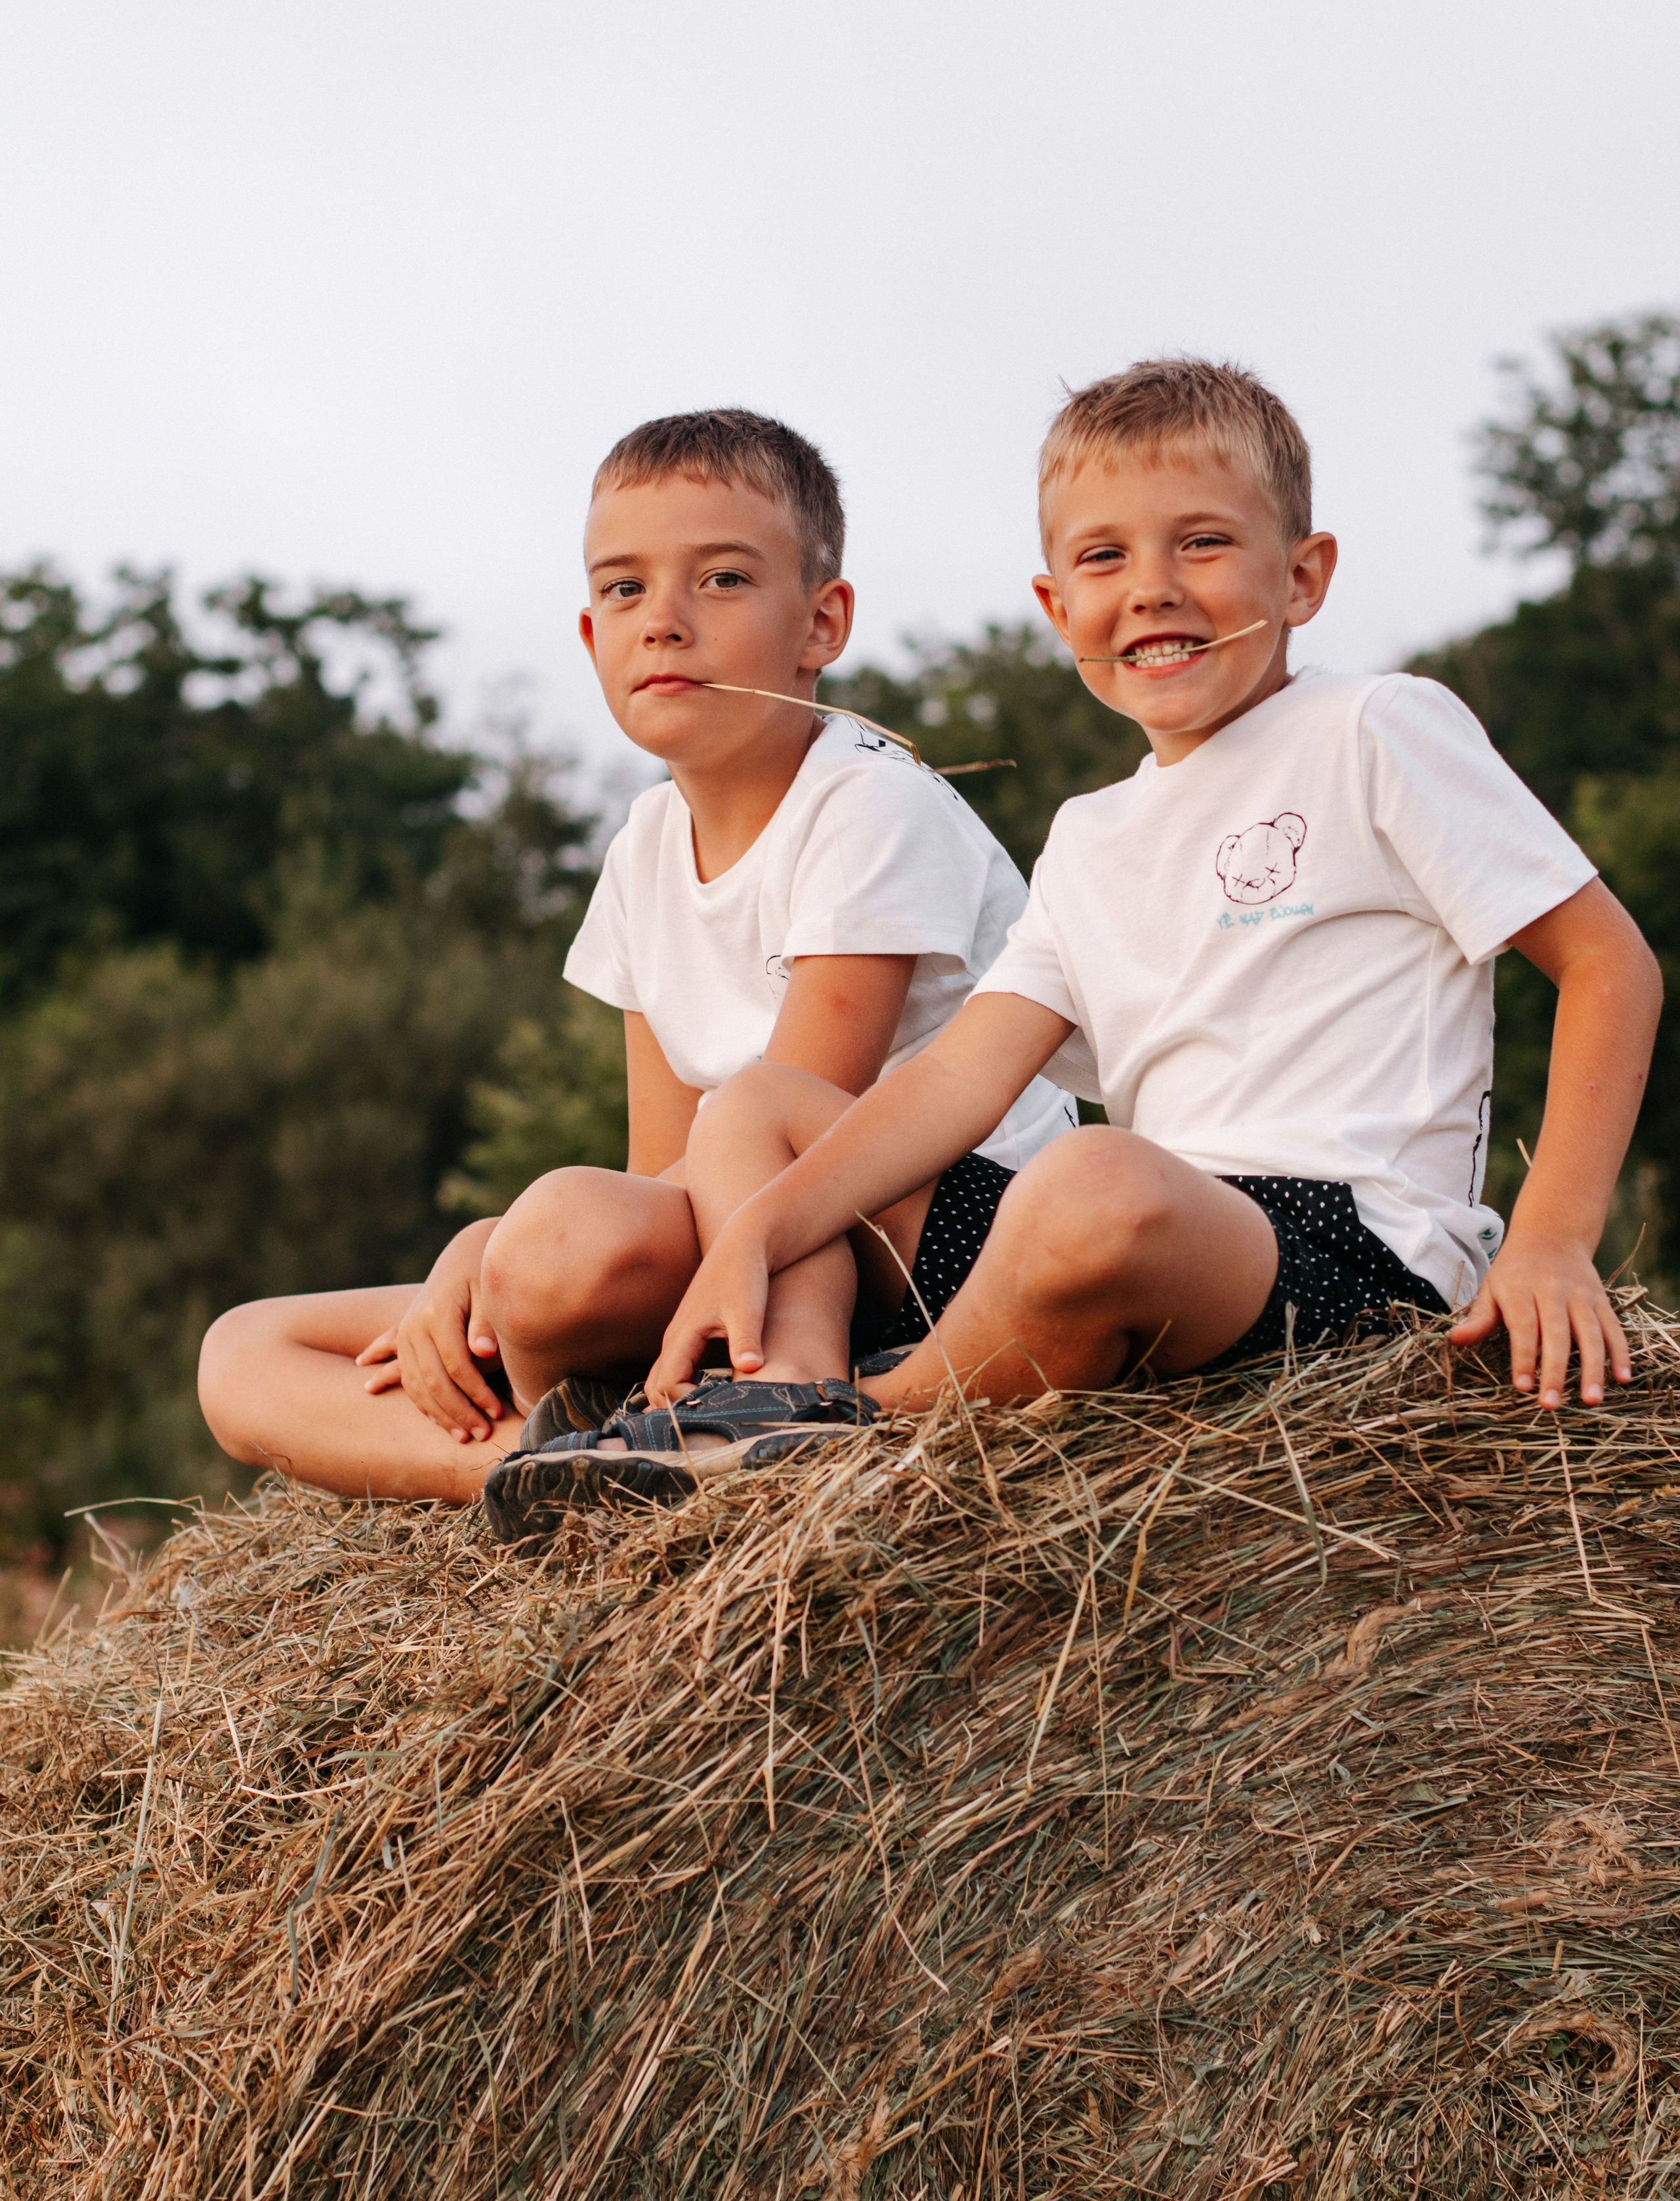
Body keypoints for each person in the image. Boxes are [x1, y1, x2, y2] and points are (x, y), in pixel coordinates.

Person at [516, 359, 1660, 1513]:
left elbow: (1610, 964)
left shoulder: (1374, 730)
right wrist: (754, 1235)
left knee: (1093, 1179)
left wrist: (1552, 1240)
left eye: (1202, 544)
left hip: (1354, 1253)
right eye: (1105, 558)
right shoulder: (1089, 835)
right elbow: (957, 1081)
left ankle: (864, 1421)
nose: (1151, 590)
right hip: (1146, 1236)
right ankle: (782, 1391)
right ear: (1058, 608)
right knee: (756, 1107)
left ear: (1303, 577)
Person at [198, 408, 1072, 1503]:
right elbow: (656, 1171)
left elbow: (794, 1137)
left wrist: (501, 1246)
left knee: (556, 1245)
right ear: (590, 636)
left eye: (722, 580)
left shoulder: (870, 803)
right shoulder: (643, 849)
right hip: (738, 1235)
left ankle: (719, 1418)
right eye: (624, 589)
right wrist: (483, 1262)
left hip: (918, 1234)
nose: (663, 622)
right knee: (244, 1350)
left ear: (822, 623)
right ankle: (564, 1470)